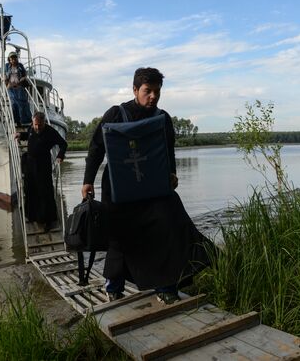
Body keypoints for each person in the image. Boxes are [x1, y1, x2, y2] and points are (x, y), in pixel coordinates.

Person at [81, 67, 212, 304]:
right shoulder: (116, 114)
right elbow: (96, 148)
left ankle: (166, 286)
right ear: (135, 90)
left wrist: (172, 172)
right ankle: (113, 285)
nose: (153, 96)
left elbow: (168, 151)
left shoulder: (163, 118)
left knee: (166, 230)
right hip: (118, 189)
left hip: (151, 188)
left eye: (157, 92)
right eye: (147, 91)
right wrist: (87, 180)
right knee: (119, 236)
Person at [16, 112, 67, 231]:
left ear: (44, 122)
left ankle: (48, 220)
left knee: (44, 192)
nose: (37, 127)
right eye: (35, 125)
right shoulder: (31, 127)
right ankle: (32, 215)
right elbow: (28, 135)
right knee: (30, 189)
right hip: (30, 164)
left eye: (40, 125)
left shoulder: (50, 132)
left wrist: (60, 156)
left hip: (43, 165)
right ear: (33, 122)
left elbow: (63, 144)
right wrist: (20, 134)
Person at [5, 51, 32, 126]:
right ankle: (16, 120)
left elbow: (25, 74)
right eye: (12, 58)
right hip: (10, 86)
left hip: (19, 86)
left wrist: (22, 80)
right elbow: (5, 74)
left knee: (22, 103)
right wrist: (5, 80)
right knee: (13, 103)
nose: (13, 60)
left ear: (17, 58)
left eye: (15, 58)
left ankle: (24, 120)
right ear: (9, 59)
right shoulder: (7, 66)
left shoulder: (20, 65)